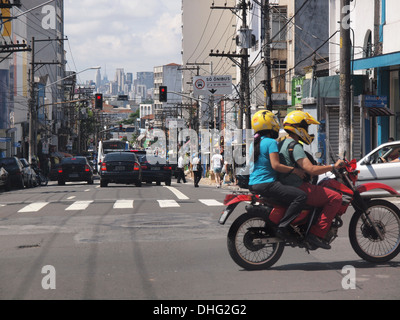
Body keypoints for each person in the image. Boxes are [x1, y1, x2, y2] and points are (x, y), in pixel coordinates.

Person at [278, 110, 344, 249]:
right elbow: (311, 169)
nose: (307, 131)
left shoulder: (282, 143)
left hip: (287, 185)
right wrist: (333, 166)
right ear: (298, 128)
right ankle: (316, 234)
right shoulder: (294, 146)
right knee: (335, 197)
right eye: (306, 127)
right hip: (297, 186)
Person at [248, 110, 308, 241]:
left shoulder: (254, 143)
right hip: (267, 183)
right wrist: (295, 171)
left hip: (253, 184)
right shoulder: (270, 142)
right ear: (271, 124)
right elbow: (276, 166)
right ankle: (283, 227)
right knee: (300, 196)